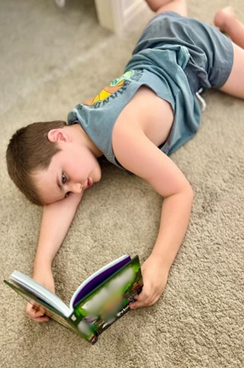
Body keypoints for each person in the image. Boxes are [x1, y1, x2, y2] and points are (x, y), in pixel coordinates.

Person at [6, 0, 244, 323]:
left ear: (59, 137)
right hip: (154, 41)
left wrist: (159, 261)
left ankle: (230, 24)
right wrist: (42, 267)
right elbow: (56, 195)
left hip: (193, 51)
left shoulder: (122, 138)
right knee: (169, 9)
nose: (77, 189)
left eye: (65, 180)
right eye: (67, 191)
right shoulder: (80, 122)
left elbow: (180, 193)